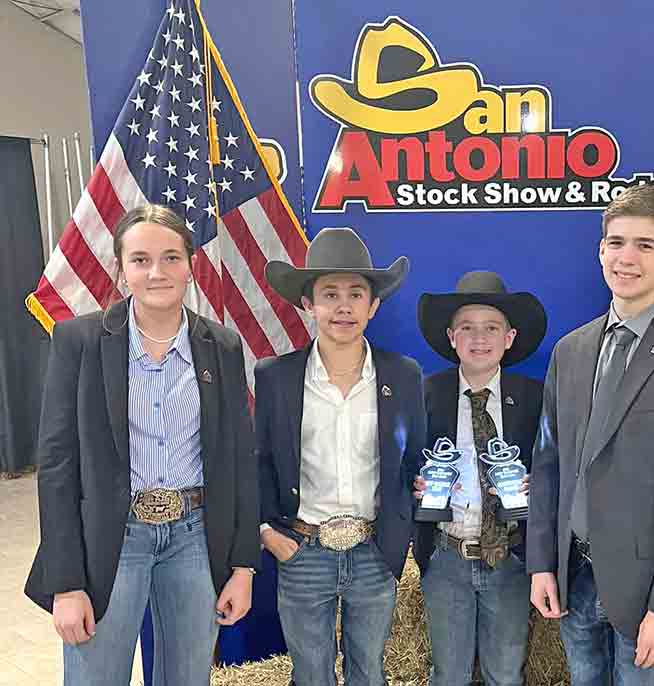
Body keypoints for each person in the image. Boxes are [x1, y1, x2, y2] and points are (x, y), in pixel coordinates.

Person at [24, 204, 258, 686]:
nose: (157, 272)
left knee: (188, 676)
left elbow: (238, 461)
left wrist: (243, 565)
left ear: (192, 265)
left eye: (172, 257)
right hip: (113, 537)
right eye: (141, 259)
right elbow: (57, 466)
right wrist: (67, 583)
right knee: (97, 676)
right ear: (121, 267)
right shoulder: (80, 341)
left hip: (194, 537)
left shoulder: (223, 346)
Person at [526, 184, 654, 686]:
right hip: (575, 580)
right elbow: (548, 464)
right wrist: (543, 565)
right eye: (616, 243)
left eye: (645, 245)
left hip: (648, 597)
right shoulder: (569, 352)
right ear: (601, 251)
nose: (627, 257)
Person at [255, 227, 425, 686]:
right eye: (329, 294)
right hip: (303, 550)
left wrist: (401, 528)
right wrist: (269, 533)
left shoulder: (402, 375)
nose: (343, 306)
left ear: (374, 306)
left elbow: (413, 462)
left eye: (356, 294)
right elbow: (261, 463)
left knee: (368, 670)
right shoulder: (275, 378)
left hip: (373, 551)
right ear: (308, 305)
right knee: (310, 673)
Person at [412, 271, 546, 686]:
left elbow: (556, 466)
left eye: (491, 328)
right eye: (467, 328)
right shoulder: (425, 392)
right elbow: (396, 462)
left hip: (509, 556)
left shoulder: (533, 397)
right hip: (447, 553)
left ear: (510, 337)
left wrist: (535, 488)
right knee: (448, 673)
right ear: (452, 338)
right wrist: (413, 486)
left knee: (505, 673)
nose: (479, 338)